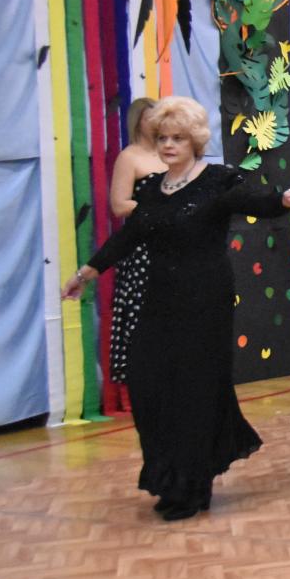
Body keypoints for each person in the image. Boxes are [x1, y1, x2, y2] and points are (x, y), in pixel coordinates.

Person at [62, 96, 290, 521]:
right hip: (161, 297)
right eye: (163, 138)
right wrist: (87, 272)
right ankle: (168, 475)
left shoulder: (217, 180)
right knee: (147, 384)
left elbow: (258, 202)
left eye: (178, 138)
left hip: (206, 300)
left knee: (193, 391)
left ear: (195, 141)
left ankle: (190, 485)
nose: (168, 145)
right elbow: (129, 235)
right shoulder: (154, 188)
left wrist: (287, 198)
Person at [107, 97, 165, 388]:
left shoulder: (170, 154)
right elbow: (119, 204)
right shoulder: (129, 157)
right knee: (142, 311)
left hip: (172, 242)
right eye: (151, 118)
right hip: (142, 247)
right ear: (138, 122)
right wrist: (156, 207)